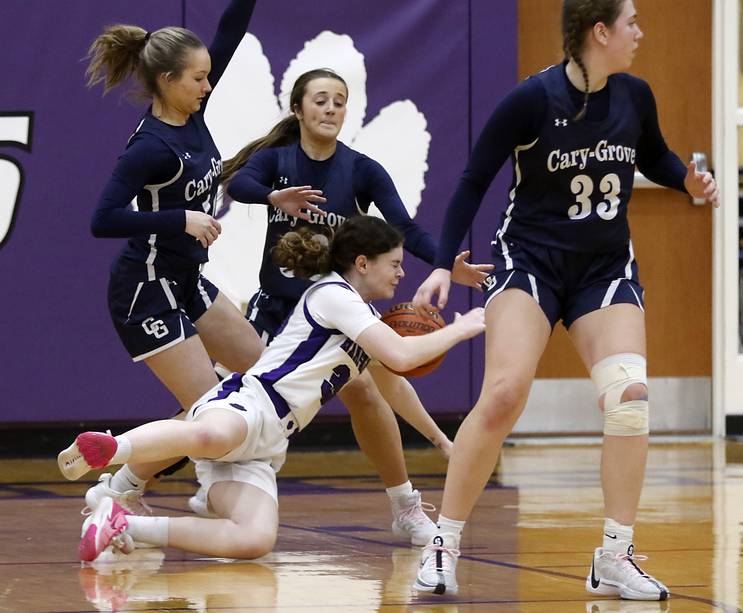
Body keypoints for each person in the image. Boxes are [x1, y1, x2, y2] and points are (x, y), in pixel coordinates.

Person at [410, 0, 719, 600]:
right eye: (631, 22)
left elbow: (653, 155)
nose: (639, 32)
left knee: (629, 397)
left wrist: (687, 179)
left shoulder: (635, 95)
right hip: (531, 263)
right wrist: (444, 260)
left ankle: (614, 555)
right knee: (503, 395)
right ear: (600, 32)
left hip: (603, 267)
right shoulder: (531, 101)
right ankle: (443, 541)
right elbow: (473, 180)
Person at [58, 216, 486, 562]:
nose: (401, 272)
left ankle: (121, 523)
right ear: (362, 263)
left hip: (268, 443)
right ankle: (111, 449)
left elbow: (396, 384)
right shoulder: (333, 295)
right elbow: (405, 354)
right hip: (250, 403)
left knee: (255, 540)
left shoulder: (364, 320)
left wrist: (439, 439)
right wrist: (461, 329)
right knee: (210, 435)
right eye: (394, 263)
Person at [220, 68, 492, 545]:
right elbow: (238, 184)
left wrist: (450, 264)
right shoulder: (278, 160)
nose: (330, 109)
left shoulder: (361, 169)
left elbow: (405, 228)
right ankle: (131, 482)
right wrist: (271, 196)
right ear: (299, 109)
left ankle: (405, 505)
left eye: (339, 102)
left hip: (330, 310)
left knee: (366, 393)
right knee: (220, 400)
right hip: (276, 307)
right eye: (320, 100)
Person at [81, 1, 267, 516]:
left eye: (209, 77)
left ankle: (129, 483)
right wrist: (179, 219)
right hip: (145, 288)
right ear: (167, 80)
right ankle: (120, 489)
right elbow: (103, 218)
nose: (209, 86)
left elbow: (230, 29)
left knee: (259, 376)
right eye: (198, 79)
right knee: (211, 414)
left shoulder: (194, 109)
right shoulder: (151, 147)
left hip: (186, 277)